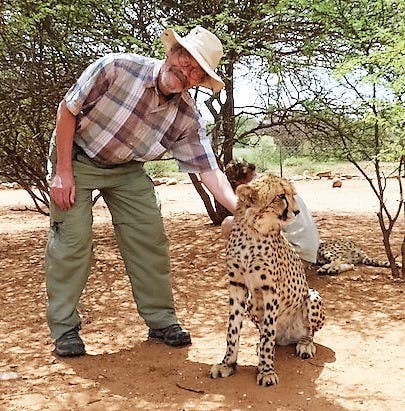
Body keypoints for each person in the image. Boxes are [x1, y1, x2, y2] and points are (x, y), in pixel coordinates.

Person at [45, 26, 238, 357]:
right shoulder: (116, 67)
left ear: (199, 81)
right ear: (171, 52)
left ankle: (162, 321)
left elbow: (210, 171)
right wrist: (62, 173)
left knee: (150, 237)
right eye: (184, 58)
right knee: (73, 240)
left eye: (196, 70)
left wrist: (244, 210)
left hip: (128, 169)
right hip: (77, 157)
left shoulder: (187, 116)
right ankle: (64, 328)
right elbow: (67, 110)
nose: (185, 70)